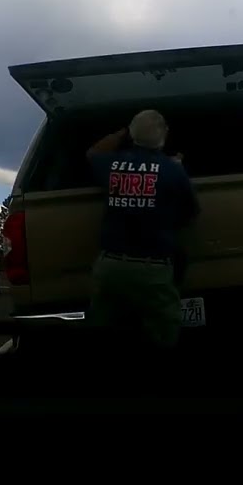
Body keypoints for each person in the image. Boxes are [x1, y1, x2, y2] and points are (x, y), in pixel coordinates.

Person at [85, 109, 199, 350]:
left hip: (110, 268)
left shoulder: (112, 164)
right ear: (164, 134)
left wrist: (122, 133)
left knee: (106, 334)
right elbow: (190, 212)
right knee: (164, 335)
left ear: (132, 134)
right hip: (153, 271)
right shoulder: (172, 170)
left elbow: (92, 153)